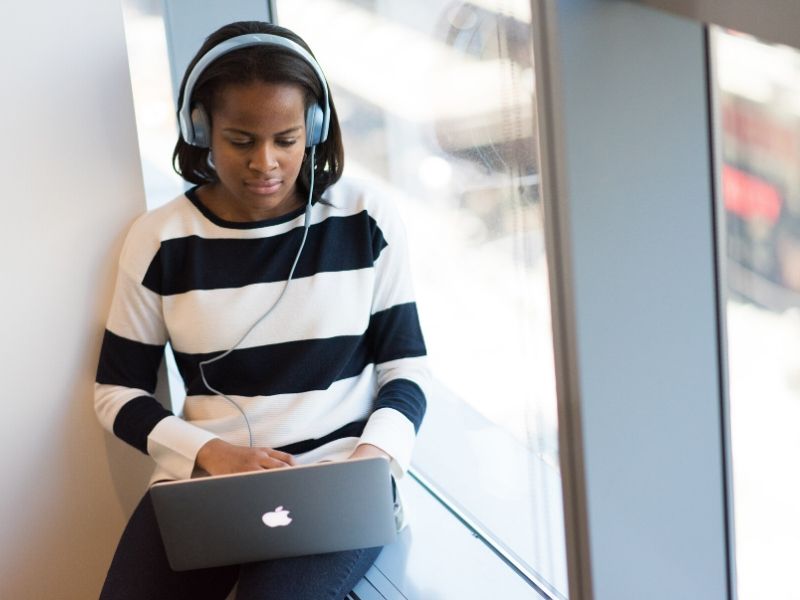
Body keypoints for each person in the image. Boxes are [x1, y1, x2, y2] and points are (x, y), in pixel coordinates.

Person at [94, 20, 428, 599]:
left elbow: (407, 370)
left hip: (336, 480)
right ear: (200, 130)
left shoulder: (365, 220)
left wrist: (370, 463)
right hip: (207, 482)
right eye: (241, 140)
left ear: (315, 130)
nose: (265, 163)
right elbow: (115, 392)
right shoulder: (159, 241)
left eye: (287, 139)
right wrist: (211, 454)